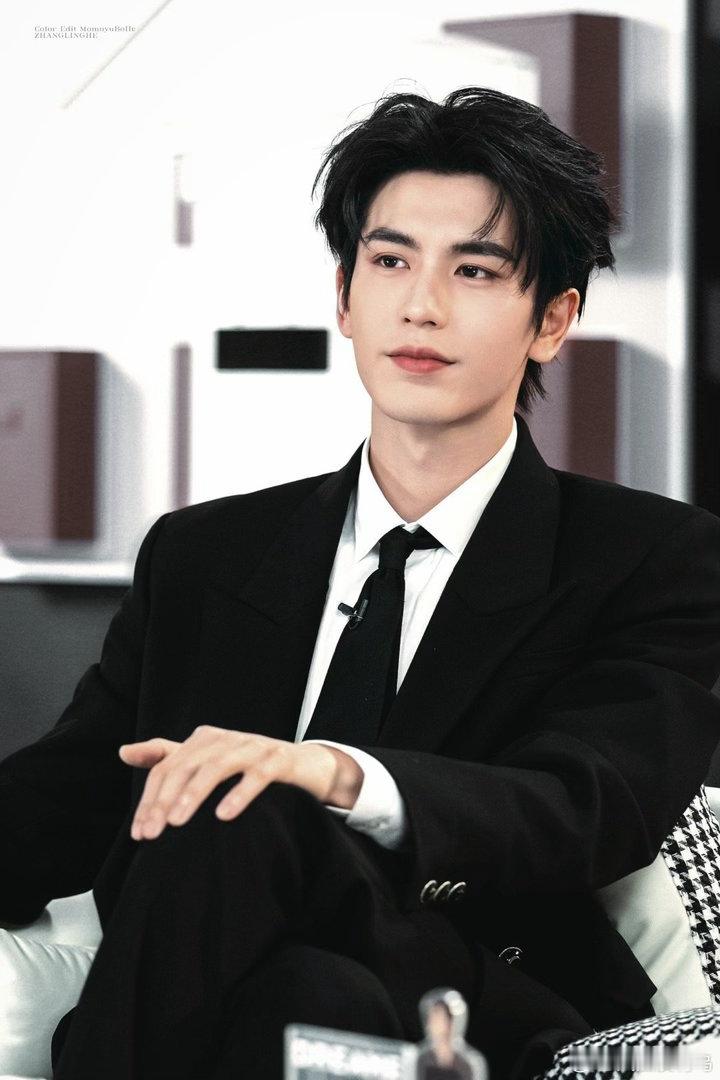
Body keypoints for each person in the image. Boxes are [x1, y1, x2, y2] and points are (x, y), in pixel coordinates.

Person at [1, 86, 720, 1080]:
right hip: (250, 985)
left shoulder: (653, 556)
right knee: (303, 994)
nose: (421, 305)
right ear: (344, 297)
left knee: (241, 802)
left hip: (478, 986)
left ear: (553, 320)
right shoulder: (205, 554)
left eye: (474, 270)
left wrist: (328, 773)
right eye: (390, 262)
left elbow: (583, 809)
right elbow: (74, 793)